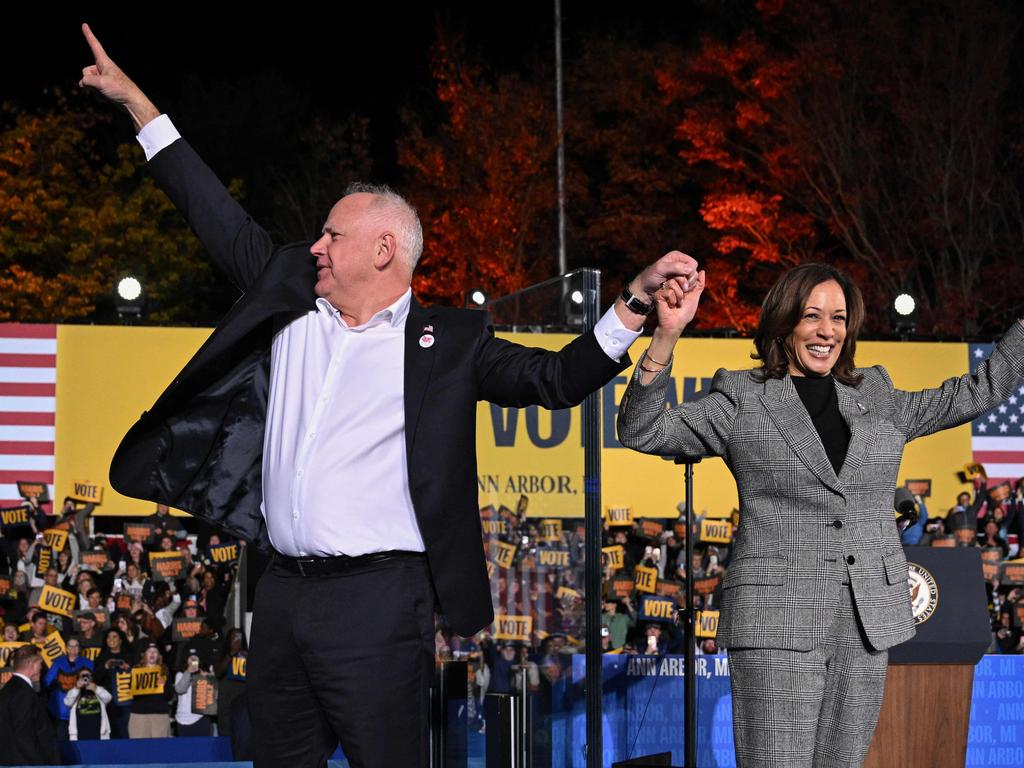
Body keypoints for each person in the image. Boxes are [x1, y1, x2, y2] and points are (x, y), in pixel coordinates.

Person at [79, 23, 691, 768]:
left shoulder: (449, 342)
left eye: (332, 235)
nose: (316, 246)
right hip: (279, 594)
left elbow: (555, 381)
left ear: (382, 250)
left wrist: (631, 302)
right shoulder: (290, 299)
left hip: (380, 601)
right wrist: (137, 103)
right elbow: (208, 208)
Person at [617, 261, 1024, 767]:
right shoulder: (744, 399)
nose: (826, 331)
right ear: (785, 322)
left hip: (865, 624)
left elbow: (980, 390)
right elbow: (641, 430)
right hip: (776, 624)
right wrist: (666, 337)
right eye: (812, 316)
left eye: (838, 317)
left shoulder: (875, 396)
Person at [0, 645, 61, 765]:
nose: (41, 668)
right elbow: (24, 735)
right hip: (26, 763)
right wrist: (39, 765)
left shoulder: (8, 689)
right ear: (31, 664)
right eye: (40, 663)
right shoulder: (23, 693)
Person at [64, 667, 114, 741]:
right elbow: (67, 702)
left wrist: (96, 689)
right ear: (78, 678)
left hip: (99, 734)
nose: (85, 678)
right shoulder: (74, 691)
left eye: (87, 676)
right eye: (83, 676)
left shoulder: (98, 689)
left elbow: (108, 698)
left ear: (91, 678)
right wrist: (77, 688)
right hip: (79, 735)